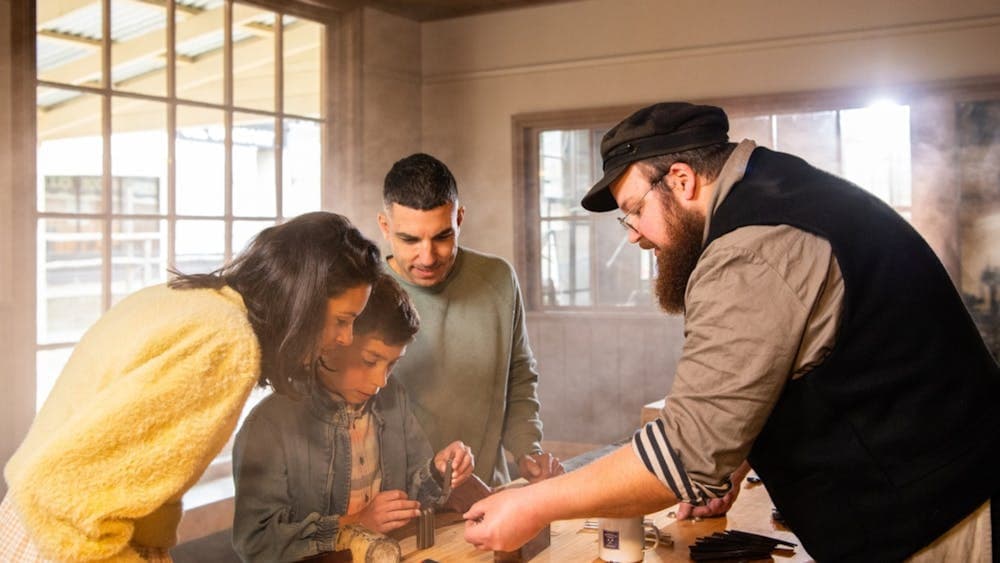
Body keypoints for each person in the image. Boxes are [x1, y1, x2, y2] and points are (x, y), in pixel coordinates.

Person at [464, 102, 1000, 561]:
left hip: (946, 520)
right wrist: (735, 457)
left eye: (633, 213)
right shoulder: (779, 189)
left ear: (680, 179)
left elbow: (684, 450)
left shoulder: (751, 246)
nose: (634, 237)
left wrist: (534, 503)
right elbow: (789, 368)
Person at [0, 212, 381, 562]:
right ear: (303, 301)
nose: (346, 339)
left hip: (36, 529)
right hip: (58, 543)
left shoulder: (195, 301)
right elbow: (61, 499)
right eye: (342, 320)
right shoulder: (224, 343)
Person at [231, 273, 474, 562]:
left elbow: (412, 498)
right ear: (332, 341)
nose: (381, 381)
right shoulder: (269, 425)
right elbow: (256, 543)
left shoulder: (392, 396)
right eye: (370, 361)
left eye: (392, 364)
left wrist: (438, 470)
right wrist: (354, 524)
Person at [377, 153, 564, 487]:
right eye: (410, 240)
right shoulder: (364, 294)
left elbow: (519, 374)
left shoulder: (498, 280)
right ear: (385, 227)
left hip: (486, 492)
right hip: (395, 504)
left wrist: (526, 450)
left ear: (459, 219)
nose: (427, 256)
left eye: (442, 236)